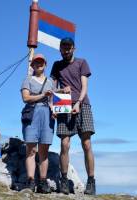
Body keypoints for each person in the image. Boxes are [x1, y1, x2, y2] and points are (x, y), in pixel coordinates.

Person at [50, 38, 96, 195]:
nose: (66, 50)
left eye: (69, 47)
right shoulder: (56, 65)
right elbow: (53, 88)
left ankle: (91, 181)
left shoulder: (82, 62)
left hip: (83, 104)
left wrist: (79, 102)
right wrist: (54, 105)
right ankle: (64, 180)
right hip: (63, 105)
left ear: (74, 49)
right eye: (64, 47)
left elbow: (84, 86)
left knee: (87, 144)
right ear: (60, 49)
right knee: (65, 144)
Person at [21, 53, 54, 193]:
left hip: (47, 115)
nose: (39, 64)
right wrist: (42, 95)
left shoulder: (50, 81)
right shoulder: (27, 80)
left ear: (45, 65)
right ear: (32, 65)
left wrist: (55, 109)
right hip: (32, 113)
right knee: (31, 149)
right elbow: (25, 98)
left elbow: (52, 100)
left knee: (44, 150)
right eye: (36, 62)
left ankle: (42, 181)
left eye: (41, 62)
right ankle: (30, 180)